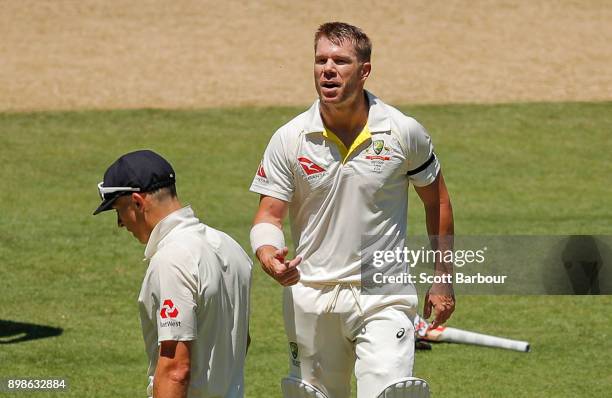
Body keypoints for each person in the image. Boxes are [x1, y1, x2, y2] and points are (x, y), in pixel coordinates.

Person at [249, 22, 454, 398]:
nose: (328, 68)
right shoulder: (290, 138)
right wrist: (267, 252)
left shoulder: (402, 131)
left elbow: (436, 199)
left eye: (340, 61)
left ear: (364, 70)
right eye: (320, 60)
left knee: (390, 392)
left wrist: (442, 275)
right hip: (310, 292)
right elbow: (268, 215)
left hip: (383, 290)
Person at [94, 150, 251, 398]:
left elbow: (175, 370)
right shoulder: (231, 247)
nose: (120, 223)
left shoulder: (171, 260)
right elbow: (240, 341)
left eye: (118, 211)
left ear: (137, 202)